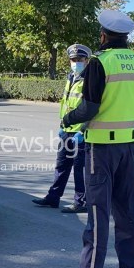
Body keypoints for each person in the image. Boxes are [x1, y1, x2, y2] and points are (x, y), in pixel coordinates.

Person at [58, 10, 134, 268]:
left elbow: (89, 107)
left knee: (97, 211)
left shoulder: (100, 63)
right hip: (131, 147)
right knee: (127, 208)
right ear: (126, 36)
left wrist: (68, 119)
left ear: (103, 35)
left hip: (101, 148)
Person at [32, 44, 91, 213]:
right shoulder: (71, 76)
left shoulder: (90, 78)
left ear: (87, 60)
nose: (76, 62)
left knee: (80, 168)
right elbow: (66, 104)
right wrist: (62, 125)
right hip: (67, 129)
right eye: (73, 60)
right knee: (62, 165)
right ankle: (53, 197)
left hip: (81, 132)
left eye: (79, 59)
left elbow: (91, 107)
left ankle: (81, 202)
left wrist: (82, 130)